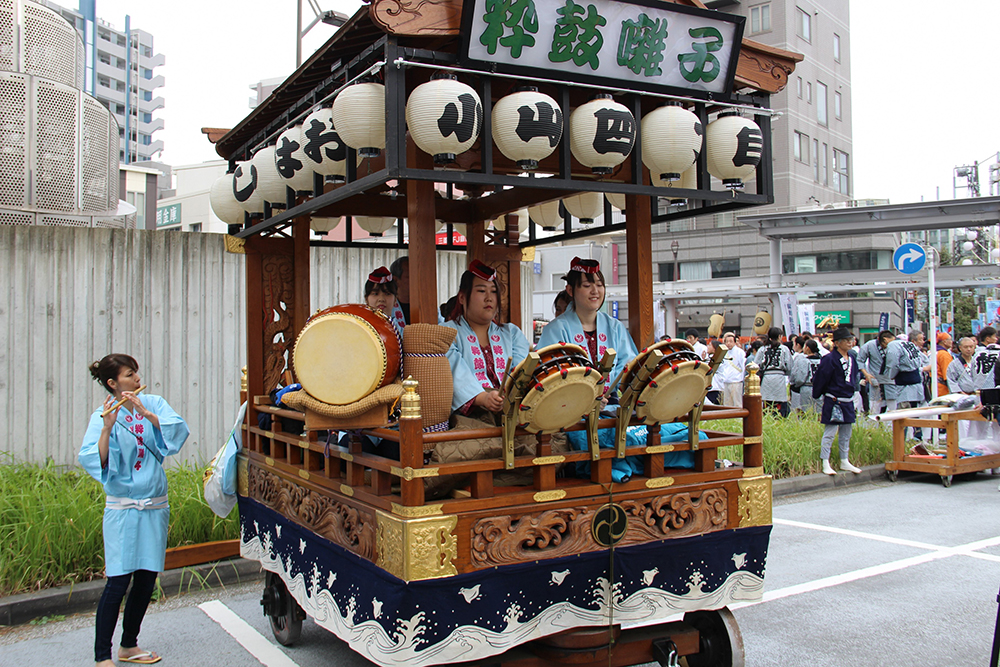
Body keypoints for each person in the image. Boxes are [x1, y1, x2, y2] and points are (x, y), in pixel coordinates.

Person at [79, 354, 189, 667]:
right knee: (117, 580)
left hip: (154, 506)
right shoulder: (103, 415)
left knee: (145, 579)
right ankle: (103, 656)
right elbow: (94, 460)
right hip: (123, 509)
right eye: (130, 374)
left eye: (136, 373)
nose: (137, 379)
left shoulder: (153, 402)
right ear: (113, 383)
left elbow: (177, 432)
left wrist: (149, 416)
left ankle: (129, 646)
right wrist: (106, 429)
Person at [538, 257, 638, 397]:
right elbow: (547, 375)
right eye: (587, 286)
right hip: (570, 409)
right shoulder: (555, 329)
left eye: (599, 285)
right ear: (570, 290)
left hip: (611, 406)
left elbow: (628, 366)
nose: (595, 291)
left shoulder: (615, 327)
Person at [443, 260, 530, 416]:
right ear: (462, 297)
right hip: (473, 415)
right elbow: (455, 372)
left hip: (511, 410)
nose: (489, 298)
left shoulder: (512, 333)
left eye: (494, 291)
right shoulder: (447, 332)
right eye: (482, 291)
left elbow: (522, 372)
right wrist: (483, 398)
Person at [812, 328, 862, 475]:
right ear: (837, 343)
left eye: (851, 340)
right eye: (846, 340)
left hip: (848, 399)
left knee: (846, 432)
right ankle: (825, 461)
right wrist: (818, 393)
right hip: (834, 399)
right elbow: (821, 378)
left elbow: (854, 378)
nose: (850, 343)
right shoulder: (829, 359)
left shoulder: (852, 358)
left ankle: (844, 460)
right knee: (830, 432)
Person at [754, 327, 791, 417]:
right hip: (779, 378)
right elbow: (789, 366)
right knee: (780, 402)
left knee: (767, 402)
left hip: (767, 378)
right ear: (779, 336)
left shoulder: (763, 349)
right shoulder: (784, 349)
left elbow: (755, 365)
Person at [857, 330, 896, 415]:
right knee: (874, 407)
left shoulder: (896, 346)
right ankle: (874, 427)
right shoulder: (870, 345)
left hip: (891, 380)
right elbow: (860, 360)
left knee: (893, 407)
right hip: (875, 379)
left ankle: (890, 427)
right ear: (884, 340)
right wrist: (866, 374)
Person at [365, 266, 403, 338]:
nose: (381, 299)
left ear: (395, 300)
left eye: (387, 294)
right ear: (366, 299)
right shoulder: (360, 327)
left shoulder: (401, 332)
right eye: (375, 294)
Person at [712, 331, 746, 407]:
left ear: (735, 342)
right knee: (727, 403)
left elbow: (743, 366)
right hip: (726, 381)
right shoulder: (724, 352)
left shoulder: (740, 352)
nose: (728, 343)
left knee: (737, 402)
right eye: (727, 342)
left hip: (736, 381)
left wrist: (742, 378)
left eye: (731, 341)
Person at [790, 339, 823, 412]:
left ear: (807, 348)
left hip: (807, 387)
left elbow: (800, 378)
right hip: (820, 388)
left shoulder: (804, 361)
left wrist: (796, 385)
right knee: (818, 411)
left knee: (806, 410)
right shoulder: (822, 361)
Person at [935, 332, 955, 398]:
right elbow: (947, 373)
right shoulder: (944, 354)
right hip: (943, 389)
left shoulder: (936, 352)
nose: (952, 342)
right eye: (950, 340)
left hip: (936, 386)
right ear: (945, 342)